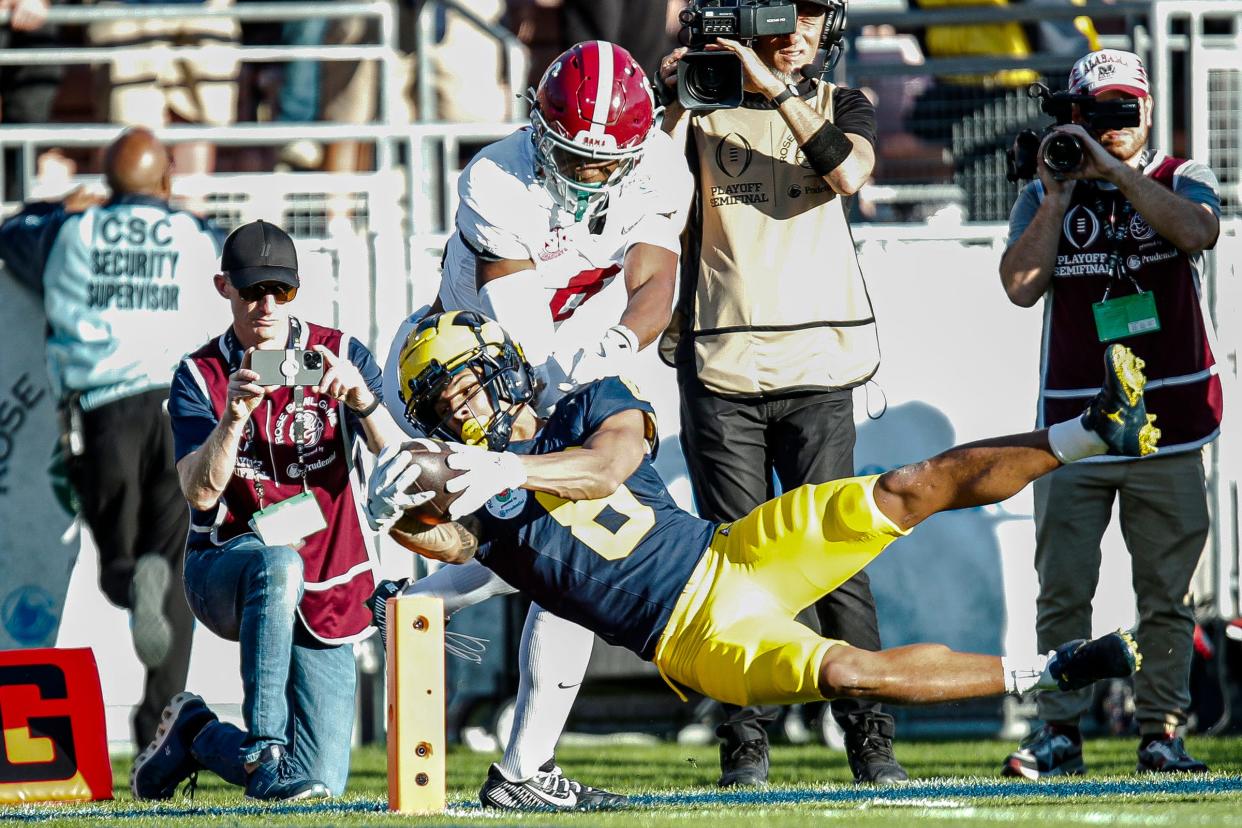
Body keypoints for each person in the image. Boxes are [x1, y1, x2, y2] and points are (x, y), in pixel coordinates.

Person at [369, 311, 1151, 798]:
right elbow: (453, 548)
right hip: (699, 642)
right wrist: (392, 513)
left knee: (907, 486)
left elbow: (605, 467)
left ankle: (1092, 431)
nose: (461, 410)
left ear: (500, 366)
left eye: (465, 387)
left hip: (737, 555)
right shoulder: (481, 503)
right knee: (848, 669)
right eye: (444, 405)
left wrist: (512, 468)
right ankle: (1055, 670)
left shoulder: (581, 406)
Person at [373, 39, 692, 812]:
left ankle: (509, 749)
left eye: (602, 161)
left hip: (565, 363)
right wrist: (565, 401)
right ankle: (412, 613)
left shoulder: (659, 166)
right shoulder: (495, 176)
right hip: (461, 371)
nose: (588, 173)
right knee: (526, 553)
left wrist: (621, 343)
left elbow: (655, 277)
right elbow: (518, 330)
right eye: (572, 156)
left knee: (546, 562)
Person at [654, 0, 902, 786]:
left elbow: (850, 173)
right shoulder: (699, 108)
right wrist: (671, 101)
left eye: (810, 16)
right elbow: (647, 197)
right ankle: (744, 746)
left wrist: (770, 84)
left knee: (838, 559)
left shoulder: (840, 101)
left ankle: (870, 741)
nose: (796, 31)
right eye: (778, 14)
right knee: (733, 567)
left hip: (818, 369)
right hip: (721, 372)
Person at [998, 48, 1222, 778]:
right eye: (1097, 114)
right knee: (1063, 593)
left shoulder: (1182, 175)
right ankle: (1059, 729)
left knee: (1168, 594)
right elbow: (1020, 286)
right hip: (1076, 428)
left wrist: (1119, 174)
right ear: (1072, 112)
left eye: (1124, 111)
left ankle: (1162, 730)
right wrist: (1061, 193)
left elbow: (1198, 231)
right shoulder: (1047, 187)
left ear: (1149, 108)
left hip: (1171, 422)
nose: (1111, 127)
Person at [129, 219, 402, 801]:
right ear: (223, 287)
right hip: (226, 567)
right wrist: (233, 417)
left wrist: (364, 399)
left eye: (283, 290)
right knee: (277, 563)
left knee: (320, 788)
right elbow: (200, 494)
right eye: (254, 290)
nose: (268, 305)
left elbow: (397, 458)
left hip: (330, 576)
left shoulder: (341, 352)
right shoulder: (200, 375)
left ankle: (197, 734)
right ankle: (264, 746)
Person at [0, 127, 225, 753]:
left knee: (118, 565)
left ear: (106, 184)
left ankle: (131, 582)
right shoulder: (196, 236)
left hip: (105, 412)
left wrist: (54, 207)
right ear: (168, 182)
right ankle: (160, 731)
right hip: (182, 408)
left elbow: (10, 237)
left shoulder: (71, 233)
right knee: (178, 566)